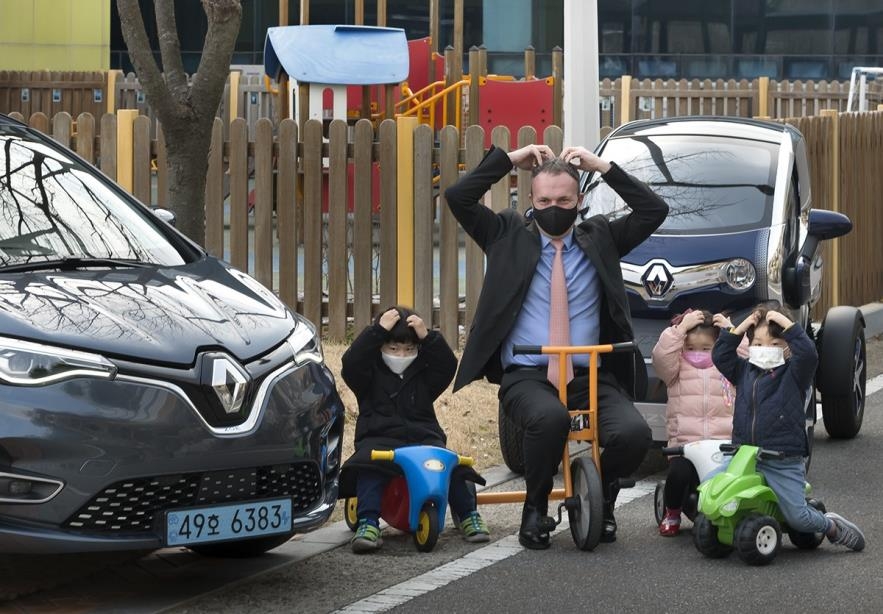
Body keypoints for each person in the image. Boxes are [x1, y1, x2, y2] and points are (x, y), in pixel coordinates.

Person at [444, 143, 668, 549]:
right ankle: (534, 510)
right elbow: (458, 196)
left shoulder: (600, 236)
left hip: (590, 373)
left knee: (634, 434)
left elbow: (654, 210)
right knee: (551, 420)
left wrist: (603, 166)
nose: (554, 207)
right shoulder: (506, 234)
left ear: (579, 200)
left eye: (564, 199)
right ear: (530, 200)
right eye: (544, 199)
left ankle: (603, 502)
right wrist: (511, 159)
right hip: (527, 374)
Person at [712, 305, 865, 551]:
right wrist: (738, 328)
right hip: (745, 455)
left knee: (798, 517)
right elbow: (721, 357)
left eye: (774, 344)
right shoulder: (743, 371)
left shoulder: (794, 373)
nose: (765, 350)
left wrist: (789, 325)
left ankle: (830, 526)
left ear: (786, 347)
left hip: (782, 459)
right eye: (759, 344)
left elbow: (809, 355)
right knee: (713, 492)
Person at [338, 306, 489, 554]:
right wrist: (376, 331)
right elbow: (351, 364)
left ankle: (468, 514)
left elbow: (447, 366)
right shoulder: (367, 377)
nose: (401, 354)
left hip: (423, 437)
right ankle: (368, 522)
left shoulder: (424, 376)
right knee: (369, 469)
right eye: (394, 348)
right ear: (381, 348)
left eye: (409, 349)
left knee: (453, 467)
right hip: (380, 439)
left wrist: (428, 336)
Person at [651, 308, 739, 537]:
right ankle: (671, 513)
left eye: (706, 349)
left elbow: (749, 358)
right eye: (690, 348)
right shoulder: (676, 368)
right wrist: (680, 329)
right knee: (678, 474)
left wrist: (732, 332)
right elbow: (661, 358)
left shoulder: (727, 367)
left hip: (724, 446)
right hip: (686, 446)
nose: (697, 354)